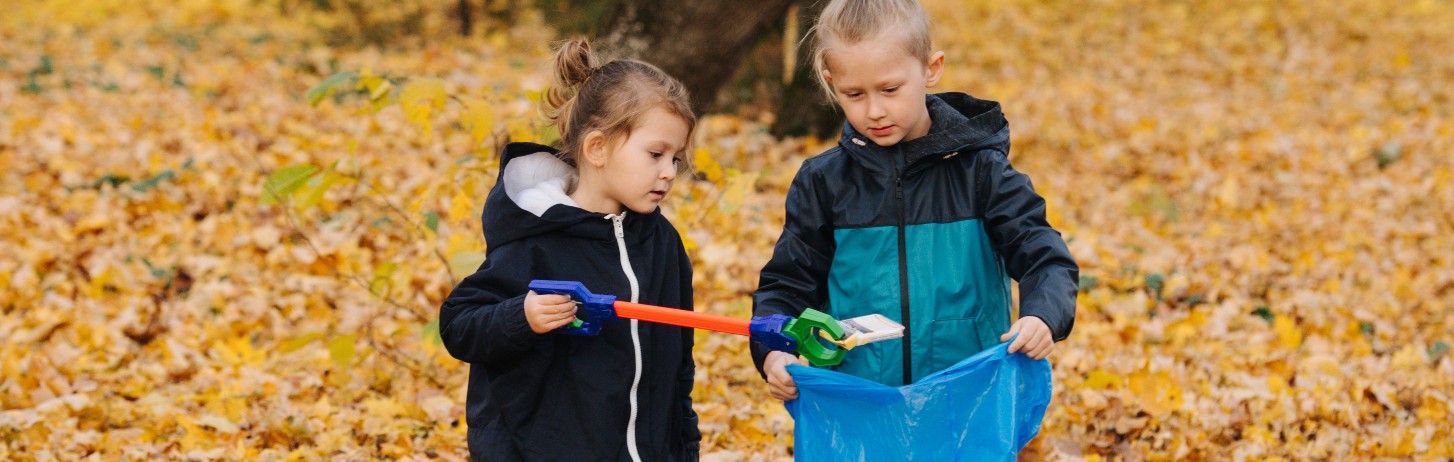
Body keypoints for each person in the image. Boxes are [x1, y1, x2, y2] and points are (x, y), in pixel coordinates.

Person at [753, 0, 1079, 401]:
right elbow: (787, 283)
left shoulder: (982, 172)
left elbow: (1044, 257)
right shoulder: (822, 182)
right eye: (854, 94)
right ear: (830, 80)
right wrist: (775, 353)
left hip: (967, 396)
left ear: (931, 68)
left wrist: (1042, 316)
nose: (874, 110)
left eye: (890, 89)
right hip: (860, 400)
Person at [439, 38, 700, 461]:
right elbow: (459, 326)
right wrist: (521, 316)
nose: (669, 172)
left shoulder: (663, 245)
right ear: (597, 148)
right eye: (655, 154)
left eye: (676, 158)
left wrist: (684, 450)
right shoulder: (534, 237)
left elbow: (679, 365)